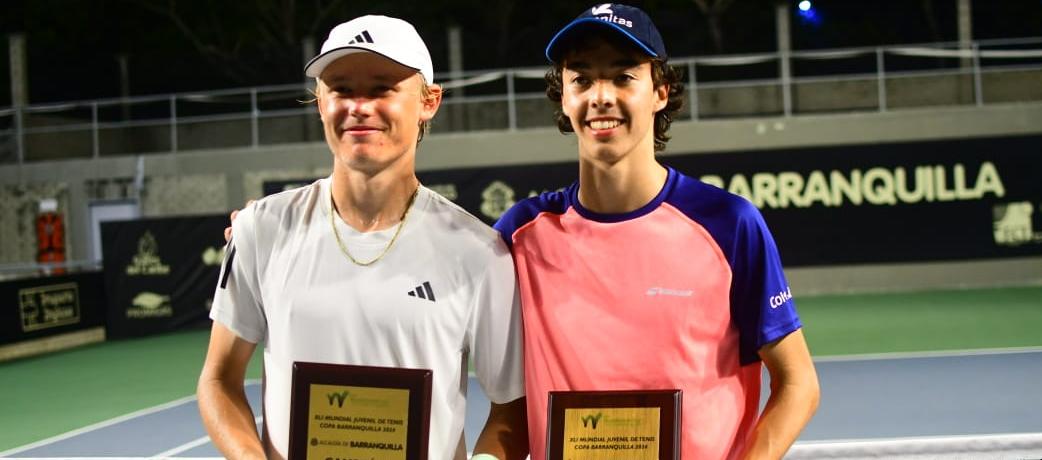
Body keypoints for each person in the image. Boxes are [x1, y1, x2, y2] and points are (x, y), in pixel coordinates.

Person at [494, 4, 820, 459]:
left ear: (660, 92)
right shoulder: (520, 236)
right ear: (563, 98)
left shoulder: (728, 224)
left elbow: (798, 383)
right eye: (582, 79)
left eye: (623, 77)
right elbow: (507, 405)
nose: (600, 96)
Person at [197, 15, 528, 460]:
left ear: (429, 101)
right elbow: (218, 380)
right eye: (341, 89)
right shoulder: (262, 229)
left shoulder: (478, 253)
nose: (359, 106)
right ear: (320, 102)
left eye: (381, 88)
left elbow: (512, 409)